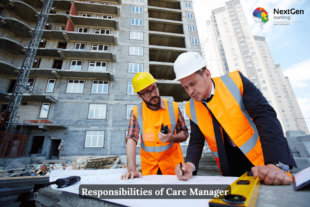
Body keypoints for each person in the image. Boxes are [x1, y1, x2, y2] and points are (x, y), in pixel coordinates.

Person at [173, 52, 296, 185]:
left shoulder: (236, 82)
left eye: (193, 84)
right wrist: (190, 164)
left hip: (262, 161)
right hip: (229, 167)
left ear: (207, 74)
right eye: (185, 87)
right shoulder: (191, 107)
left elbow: (265, 117)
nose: (190, 91)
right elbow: (196, 141)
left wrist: (275, 162)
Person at [121, 72, 189, 180]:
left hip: (174, 170)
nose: (153, 94)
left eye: (154, 88)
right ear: (139, 95)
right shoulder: (136, 112)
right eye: (147, 92)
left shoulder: (174, 107)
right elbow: (131, 138)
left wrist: (173, 138)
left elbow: (185, 133)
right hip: (150, 171)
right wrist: (131, 169)